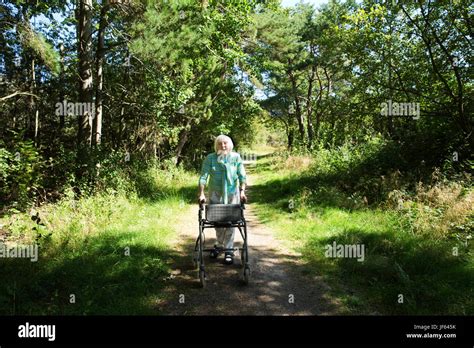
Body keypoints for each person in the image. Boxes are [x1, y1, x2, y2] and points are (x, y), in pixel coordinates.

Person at [198, 134, 247, 265]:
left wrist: (242, 192)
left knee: (231, 222)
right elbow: (203, 177)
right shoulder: (210, 158)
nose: (223, 146)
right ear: (216, 146)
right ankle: (219, 244)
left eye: (225, 143)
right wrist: (202, 193)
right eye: (220, 143)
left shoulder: (235, 157)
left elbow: (242, 176)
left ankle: (229, 249)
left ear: (230, 145)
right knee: (218, 221)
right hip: (215, 193)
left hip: (232, 194)